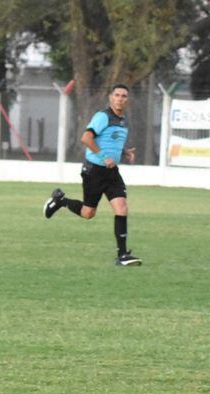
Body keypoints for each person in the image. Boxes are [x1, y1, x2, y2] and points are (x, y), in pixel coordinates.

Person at [43, 84, 141, 266]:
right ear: (111, 97)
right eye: (117, 95)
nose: (120, 98)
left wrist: (125, 152)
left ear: (127, 100)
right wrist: (105, 157)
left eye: (124, 96)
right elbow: (86, 138)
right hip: (94, 171)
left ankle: (122, 255)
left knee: (122, 208)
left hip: (112, 173)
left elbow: (110, 142)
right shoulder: (102, 116)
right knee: (88, 213)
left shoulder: (123, 121)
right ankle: (60, 201)